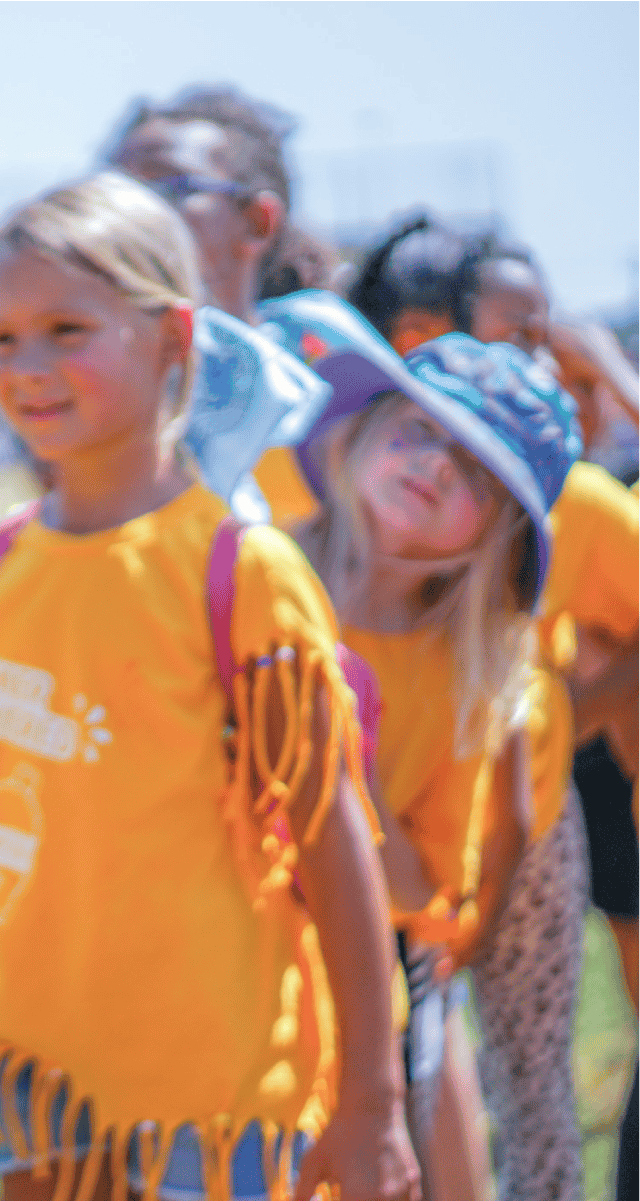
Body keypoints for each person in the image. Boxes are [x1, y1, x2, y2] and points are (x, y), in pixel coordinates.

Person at [0, 172, 418, 1201]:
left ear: (170, 338)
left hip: (212, 1109)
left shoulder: (236, 572)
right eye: (2, 337)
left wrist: (373, 1104)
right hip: (37, 1098)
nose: (28, 367)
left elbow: (335, 848)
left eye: (68, 329)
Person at [260, 300, 585, 1199]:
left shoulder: (463, 684)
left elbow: (419, 891)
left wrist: (341, 775)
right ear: (361, 429)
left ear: (497, 535)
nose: (436, 465)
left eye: (478, 474)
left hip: (361, 993)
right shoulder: (251, 571)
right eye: (418, 430)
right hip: (220, 953)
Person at [351, 218, 640, 1194]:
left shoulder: (578, 501)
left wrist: (582, 702)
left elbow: (514, 792)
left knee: (522, 1083)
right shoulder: (324, 554)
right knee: (397, 1086)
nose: (539, 361)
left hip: (515, 841)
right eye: (511, 335)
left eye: (542, 338)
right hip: (378, 887)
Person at [102, 84, 329, 527]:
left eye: (168, 188)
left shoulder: (330, 416)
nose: (130, 214)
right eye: (114, 192)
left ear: (257, 223)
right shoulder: (93, 404)